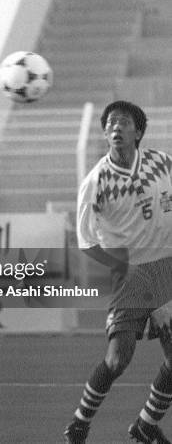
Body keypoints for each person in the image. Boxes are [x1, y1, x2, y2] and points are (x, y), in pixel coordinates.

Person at [64, 100, 172, 444]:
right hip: (128, 274)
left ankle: (145, 424)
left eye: (123, 122)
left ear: (138, 131)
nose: (115, 128)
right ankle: (80, 423)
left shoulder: (163, 164)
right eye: (110, 123)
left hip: (166, 268)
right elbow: (86, 242)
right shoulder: (96, 182)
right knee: (117, 358)